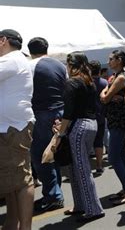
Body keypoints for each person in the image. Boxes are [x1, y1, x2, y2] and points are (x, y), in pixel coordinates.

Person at [52, 52, 105, 222]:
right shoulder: (89, 81)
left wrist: (60, 133)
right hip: (91, 124)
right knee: (77, 168)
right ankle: (81, 205)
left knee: (81, 169)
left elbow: (68, 112)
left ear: (71, 65)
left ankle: (93, 209)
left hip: (79, 126)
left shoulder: (72, 82)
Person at [0, 29, 35, 230]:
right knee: (11, 180)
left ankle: (25, 227)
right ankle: (12, 222)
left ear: (3, 40)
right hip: (9, 127)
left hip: (14, 127)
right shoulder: (15, 60)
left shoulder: (11, 59)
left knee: (21, 180)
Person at [27, 37, 67, 213]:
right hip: (60, 111)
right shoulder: (59, 65)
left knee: (38, 155)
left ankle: (53, 196)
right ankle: (54, 193)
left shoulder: (31, 65)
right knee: (51, 152)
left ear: (29, 50)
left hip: (42, 112)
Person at [100, 51, 125, 205]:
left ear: (119, 60)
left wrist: (107, 95)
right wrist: (106, 94)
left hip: (119, 120)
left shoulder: (121, 77)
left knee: (114, 156)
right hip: (115, 118)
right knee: (121, 155)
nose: (108, 61)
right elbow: (104, 94)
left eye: (111, 59)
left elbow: (106, 97)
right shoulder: (115, 76)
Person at [89, 60, 108, 176]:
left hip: (88, 116)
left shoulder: (86, 83)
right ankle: (99, 165)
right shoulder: (104, 82)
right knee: (99, 142)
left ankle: (86, 167)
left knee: (86, 143)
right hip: (101, 115)